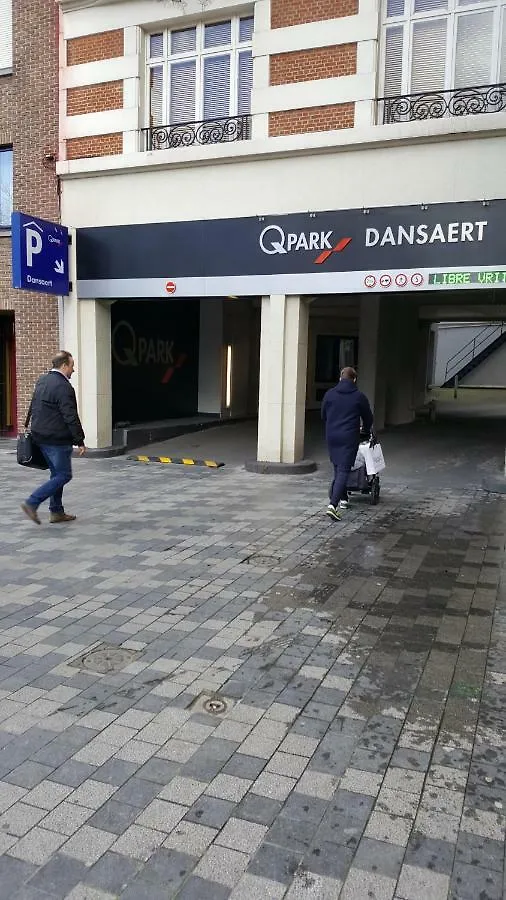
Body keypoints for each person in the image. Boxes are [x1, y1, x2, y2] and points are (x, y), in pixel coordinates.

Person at [21, 351, 86, 525]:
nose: (74, 370)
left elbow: (33, 405)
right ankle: (32, 502)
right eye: (72, 365)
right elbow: (70, 416)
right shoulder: (64, 387)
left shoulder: (42, 380)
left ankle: (56, 512)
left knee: (56, 474)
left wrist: (29, 426)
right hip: (57, 439)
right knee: (64, 475)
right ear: (64, 365)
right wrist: (79, 440)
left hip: (40, 436)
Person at [321, 366, 373, 521]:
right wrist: (365, 430)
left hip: (332, 436)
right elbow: (368, 418)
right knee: (343, 470)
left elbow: (323, 414)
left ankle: (343, 499)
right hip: (349, 437)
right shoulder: (359, 396)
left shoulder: (330, 394)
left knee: (337, 467)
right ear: (354, 379)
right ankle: (332, 505)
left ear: (340, 378)